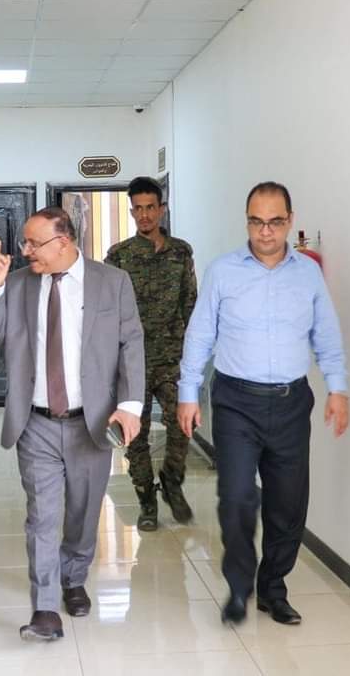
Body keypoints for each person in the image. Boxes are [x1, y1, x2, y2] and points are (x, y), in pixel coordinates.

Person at [177, 181, 350, 627]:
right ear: (247, 222)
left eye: (274, 222)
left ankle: (273, 588)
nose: (265, 231)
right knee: (236, 497)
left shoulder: (307, 274)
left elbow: (326, 336)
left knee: (287, 504)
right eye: (256, 222)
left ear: (290, 221)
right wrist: (187, 393)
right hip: (236, 401)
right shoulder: (223, 271)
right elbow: (199, 335)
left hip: (291, 404)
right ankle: (239, 587)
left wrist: (337, 388)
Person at [0, 207, 144, 642]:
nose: (26, 251)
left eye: (34, 243)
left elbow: (131, 344)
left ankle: (74, 577)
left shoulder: (113, 281)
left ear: (64, 241)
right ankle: (45, 608)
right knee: (42, 516)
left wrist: (130, 405)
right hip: (35, 422)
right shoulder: (18, 283)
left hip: (91, 420)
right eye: (25, 242)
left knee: (83, 512)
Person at [105, 176, 198, 531]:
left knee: (182, 424)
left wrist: (194, 355)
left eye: (150, 208)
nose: (144, 215)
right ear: (132, 212)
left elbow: (191, 304)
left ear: (162, 209)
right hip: (132, 363)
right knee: (135, 436)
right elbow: (106, 311)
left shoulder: (181, 252)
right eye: (138, 209)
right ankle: (146, 500)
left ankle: (172, 480)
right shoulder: (119, 256)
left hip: (173, 358)